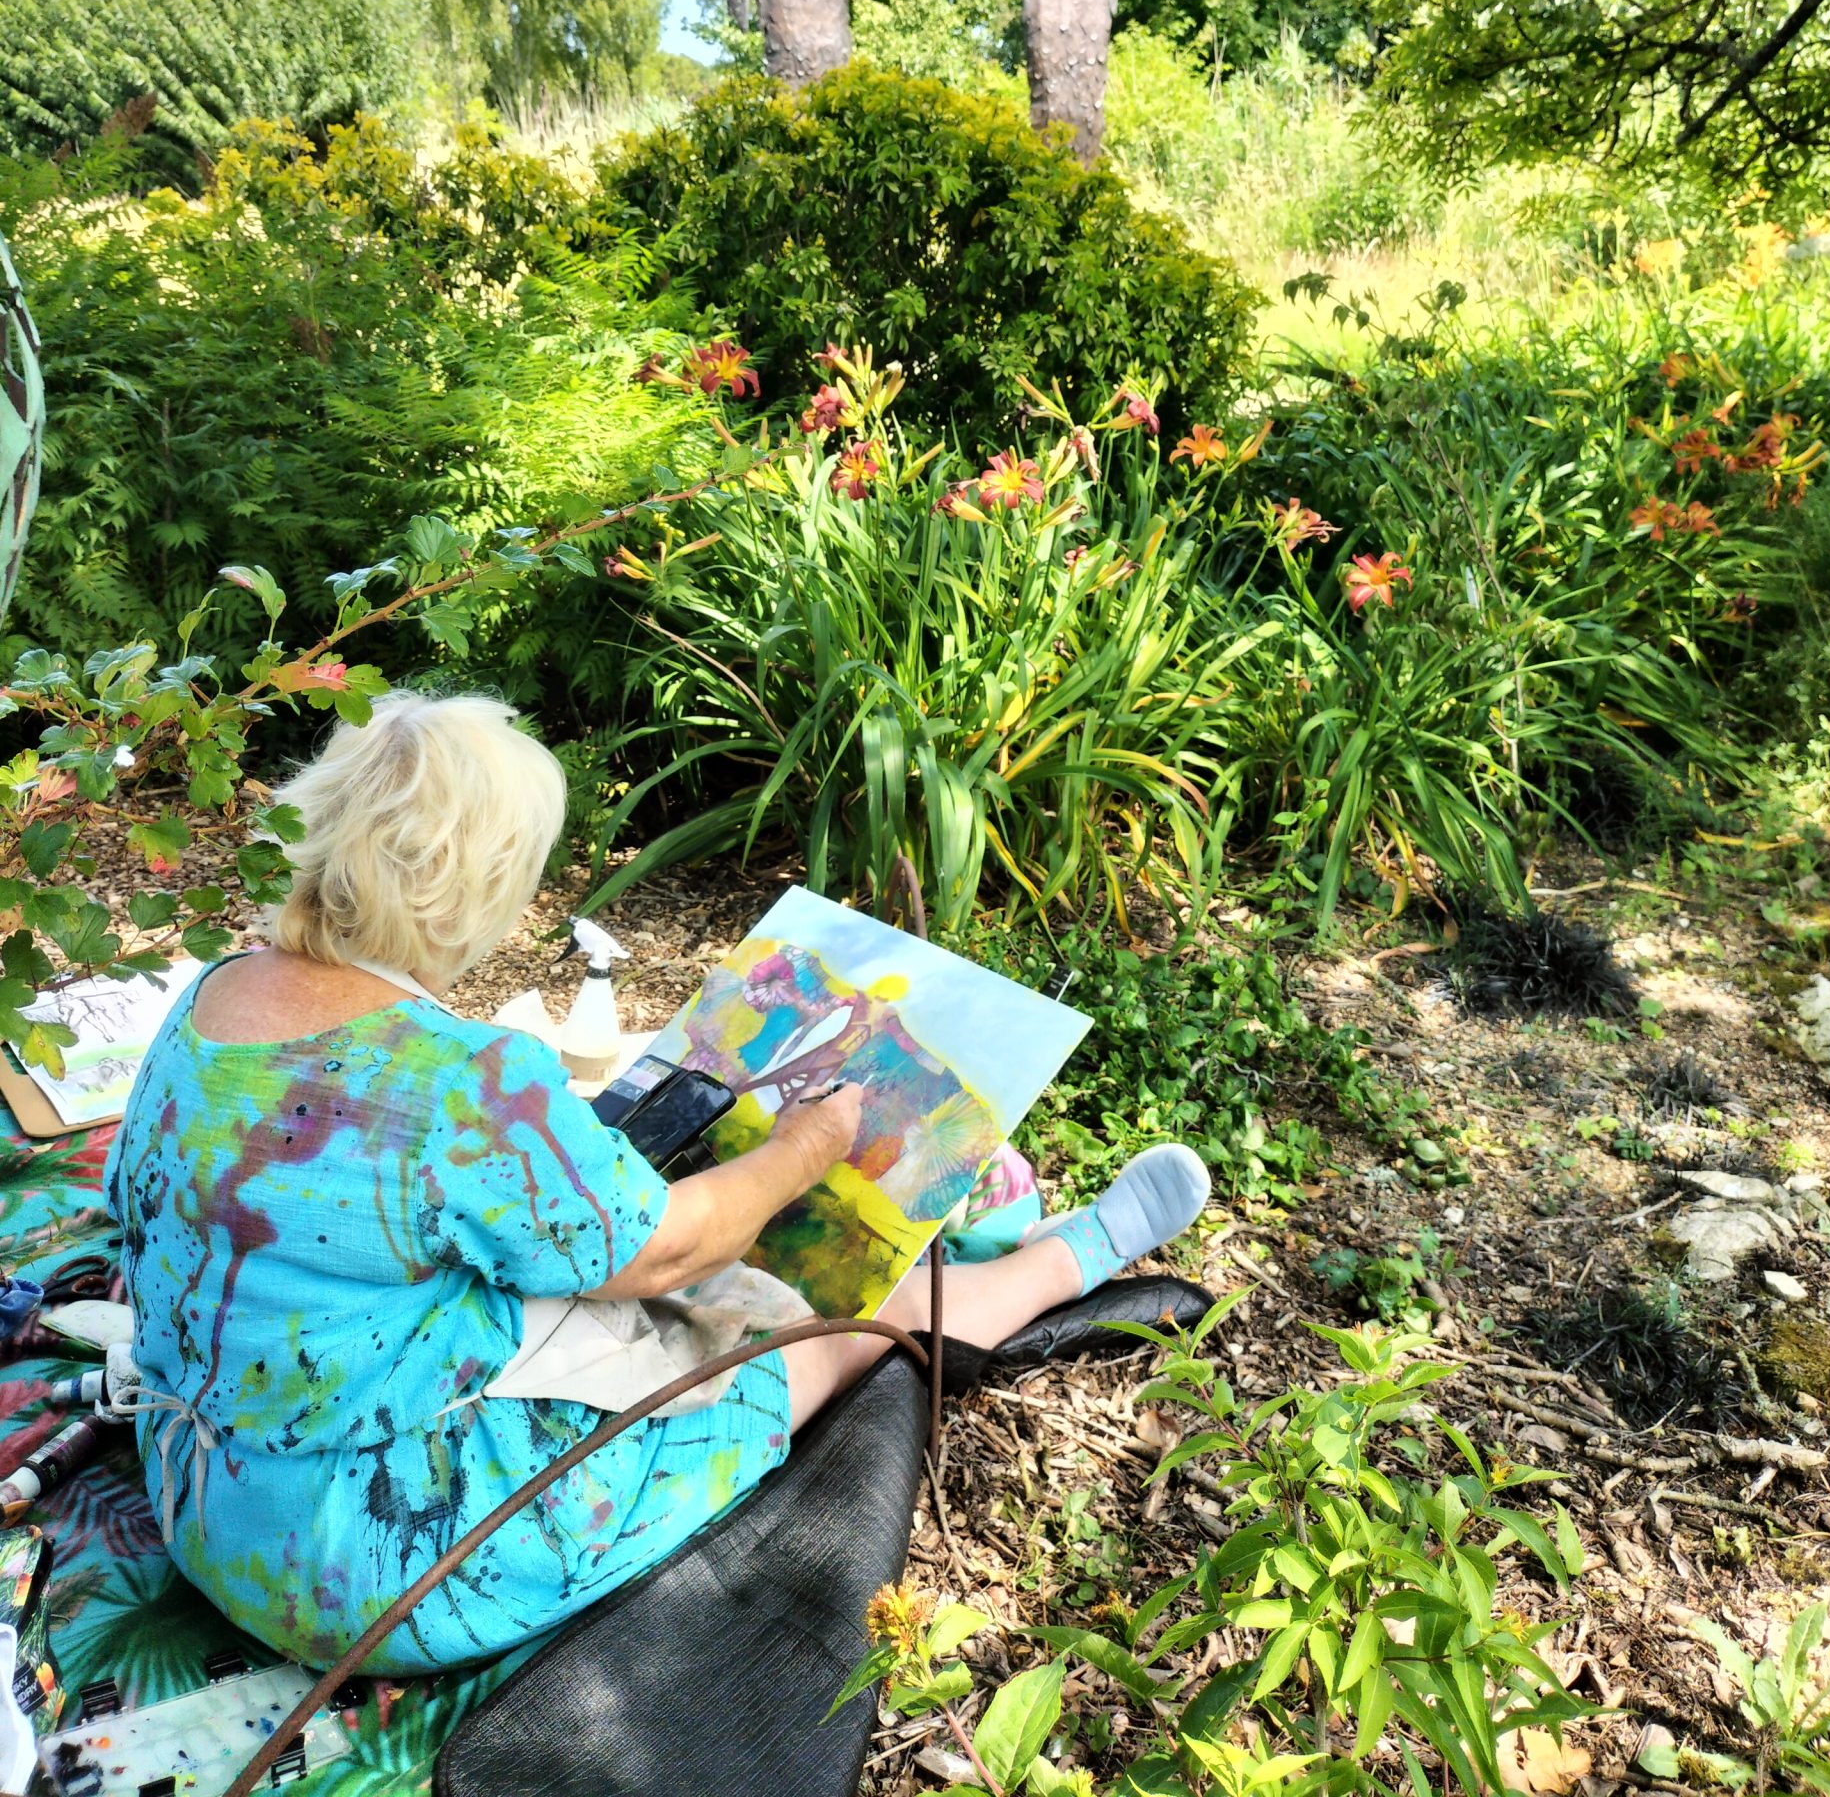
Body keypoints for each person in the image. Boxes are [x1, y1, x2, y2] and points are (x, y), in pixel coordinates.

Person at [106, 691, 1210, 1673]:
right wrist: (811, 1144)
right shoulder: (462, 1081)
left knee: (639, 1273)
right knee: (817, 1326)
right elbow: (673, 1247)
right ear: (472, 890)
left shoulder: (218, 993)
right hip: (368, 1565)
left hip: (211, 1498)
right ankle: (1073, 1254)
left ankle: (987, 1234)